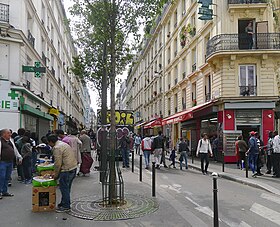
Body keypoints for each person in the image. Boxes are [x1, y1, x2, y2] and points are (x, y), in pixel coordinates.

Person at [47, 134, 77, 212]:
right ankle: (63, 203)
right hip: (73, 167)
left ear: (50, 142)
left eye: (48, 143)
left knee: (64, 188)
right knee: (67, 188)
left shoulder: (57, 148)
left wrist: (56, 175)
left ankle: (66, 206)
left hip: (66, 170)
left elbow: (58, 163)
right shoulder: (63, 144)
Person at [0, 129, 22, 199]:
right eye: (8, 133)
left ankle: (4, 191)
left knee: (7, 177)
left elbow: (15, 150)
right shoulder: (0, 141)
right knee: (1, 177)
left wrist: (19, 157)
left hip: (10, 162)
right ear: (3, 134)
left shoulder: (11, 141)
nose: (10, 134)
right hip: (2, 162)